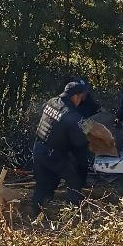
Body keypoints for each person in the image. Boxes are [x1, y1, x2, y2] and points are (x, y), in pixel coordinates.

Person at [31, 82, 91, 215]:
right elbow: (79, 142)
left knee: (44, 183)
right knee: (75, 181)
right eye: (80, 97)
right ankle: (72, 214)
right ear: (75, 96)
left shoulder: (52, 102)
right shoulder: (71, 114)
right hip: (52, 154)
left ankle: (36, 215)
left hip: (38, 148)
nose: (81, 101)